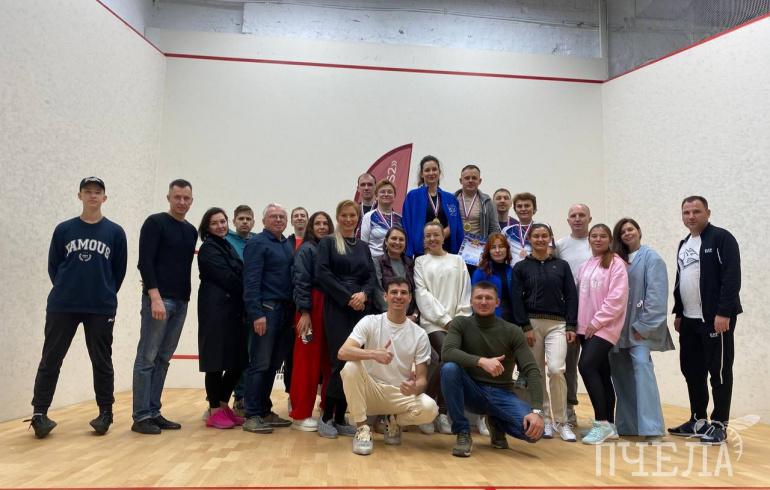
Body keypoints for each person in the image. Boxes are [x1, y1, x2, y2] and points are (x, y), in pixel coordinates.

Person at [28, 177, 127, 438]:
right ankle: (39, 414)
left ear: (104, 198)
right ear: (79, 195)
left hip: (100, 307)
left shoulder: (115, 232)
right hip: (63, 305)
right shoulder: (64, 229)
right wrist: (68, 288)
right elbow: (54, 266)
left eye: (97, 192)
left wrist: (103, 292)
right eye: (88, 191)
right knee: (51, 358)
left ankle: (105, 413)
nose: (93, 196)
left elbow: (118, 272)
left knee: (101, 361)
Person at [441, 281, 545, 457]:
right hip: (472, 392)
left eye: (488, 298)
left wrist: (536, 411)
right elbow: (447, 352)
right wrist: (481, 361)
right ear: (471, 302)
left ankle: (496, 422)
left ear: (497, 302)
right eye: (479, 298)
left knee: (533, 432)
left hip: (502, 395)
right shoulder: (460, 323)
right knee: (449, 368)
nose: (483, 302)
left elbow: (532, 370)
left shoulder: (512, 331)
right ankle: (462, 432)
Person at [669, 196, 741, 445]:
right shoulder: (684, 243)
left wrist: (723, 312)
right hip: (689, 321)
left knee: (719, 372)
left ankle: (719, 425)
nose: (691, 216)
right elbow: (681, 279)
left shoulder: (722, 238)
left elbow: (732, 277)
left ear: (708, 213)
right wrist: (679, 312)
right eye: (686, 212)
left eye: (696, 211)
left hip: (715, 319)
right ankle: (698, 420)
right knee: (691, 370)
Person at [339, 278, 438, 455]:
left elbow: (422, 379)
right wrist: (373, 354)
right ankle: (362, 429)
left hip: (399, 394)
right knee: (350, 367)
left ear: (410, 298)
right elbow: (343, 352)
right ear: (385, 296)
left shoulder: (420, 334)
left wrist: (415, 388)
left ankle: (393, 420)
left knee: (430, 409)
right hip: (371, 391)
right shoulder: (370, 321)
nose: (398, 296)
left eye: (403, 293)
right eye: (394, 292)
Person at [132, 179, 197, 435]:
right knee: (147, 357)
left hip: (181, 302)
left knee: (163, 358)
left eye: (186, 198)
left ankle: (154, 411)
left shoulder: (191, 231)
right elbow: (145, 262)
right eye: (177, 197)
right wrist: (154, 297)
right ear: (168, 198)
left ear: (191, 201)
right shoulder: (155, 223)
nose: (182, 202)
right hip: (159, 300)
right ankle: (141, 416)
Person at [316, 200, 377, 438]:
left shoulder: (363, 246)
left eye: (352, 215)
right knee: (340, 361)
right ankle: (326, 416)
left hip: (361, 308)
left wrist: (364, 295)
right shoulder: (328, 243)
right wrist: (347, 297)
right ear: (338, 217)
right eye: (344, 215)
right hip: (338, 308)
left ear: (357, 218)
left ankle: (341, 417)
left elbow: (371, 277)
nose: (349, 219)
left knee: (354, 364)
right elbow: (323, 274)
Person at [513, 223, 578, 442]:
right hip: (531, 326)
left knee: (557, 370)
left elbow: (571, 296)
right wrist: (525, 326)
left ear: (550, 238)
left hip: (557, 325)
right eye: (536, 236)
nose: (540, 239)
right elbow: (516, 299)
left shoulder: (562, 266)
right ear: (529, 239)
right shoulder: (521, 267)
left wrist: (571, 325)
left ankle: (561, 421)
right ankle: (545, 419)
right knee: (537, 373)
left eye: (544, 236)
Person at [610, 218, 673, 442]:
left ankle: (652, 428)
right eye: (623, 231)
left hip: (639, 329)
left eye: (631, 229)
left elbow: (657, 295)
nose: (627, 233)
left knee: (642, 370)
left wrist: (644, 327)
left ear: (639, 231)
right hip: (617, 329)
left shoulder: (652, 258)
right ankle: (628, 425)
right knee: (620, 374)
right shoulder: (616, 260)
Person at [414, 222, 472, 434]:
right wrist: (445, 320)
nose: (432, 239)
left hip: (458, 322)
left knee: (452, 365)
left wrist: (460, 320)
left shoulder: (458, 260)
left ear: (443, 236)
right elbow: (423, 295)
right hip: (433, 323)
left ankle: (442, 414)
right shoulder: (420, 262)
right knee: (450, 357)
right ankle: (428, 409)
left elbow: (466, 291)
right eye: (427, 236)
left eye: (435, 235)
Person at [241, 203, 295, 434]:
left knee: (272, 365)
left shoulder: (286, 244)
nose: (278, 220)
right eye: (273, 216)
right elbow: (251, 281)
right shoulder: (257, 243)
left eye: (282, 216)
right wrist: (257, 314)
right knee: (260, 364)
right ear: (264, 221)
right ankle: (251, 415)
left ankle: (264, 410)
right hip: (267, 311)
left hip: (285, 312)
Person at [575, 224, 629, 445]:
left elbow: (617, 298)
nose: (598, 239)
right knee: (602, 372)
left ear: (610, 240)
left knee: (586, 366)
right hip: (584, 328)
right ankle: (611, 426)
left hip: (604, 327)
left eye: (603, 236)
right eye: (594, 236)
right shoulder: (586, 265)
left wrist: (597, 322)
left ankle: (601, 423)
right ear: (589, 239)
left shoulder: (616, 263)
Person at [197, 207, 248, 430]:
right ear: (207, 227)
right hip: (215, 311)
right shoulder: (208, 248)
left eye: (223, 221)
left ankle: (224, 405)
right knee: (215, 362)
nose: (220, 226)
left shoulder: (225, 245)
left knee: (238, 361)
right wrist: (249, 287)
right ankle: (214, 410)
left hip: (232, 311)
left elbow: (238, 272)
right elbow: (227, 277)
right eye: (214, 223)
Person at [289, 211, 334, 432]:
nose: (322, 227)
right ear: (311, 227)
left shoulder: (331, 249)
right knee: (306, 362)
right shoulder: (306, 249)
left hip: (330, 308)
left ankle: (328, 409)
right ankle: (300, 414)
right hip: (310, 309)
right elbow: (301, 281)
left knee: (330, 361)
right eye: (318, 223)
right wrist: (305, 312)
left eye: (326, 223)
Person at [555, 203, 593, 426]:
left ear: (589, 218)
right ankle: (568, 411)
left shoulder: (597, 243)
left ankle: (604, 415)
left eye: (581, 215)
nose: (577, 218)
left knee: (594, 365)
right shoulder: (560, 246)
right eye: (573, 215)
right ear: (568, 220)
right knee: (568, 364)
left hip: (594, 316)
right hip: (568, 314)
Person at [226, 204, 256, 416]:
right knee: (228, 354)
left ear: (253, 222)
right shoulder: (225, 240)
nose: (245, 222)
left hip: (252, 307)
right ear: (234, 221)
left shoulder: (257, 241)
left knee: (249, 353)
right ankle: (215, 402)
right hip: (230, 307)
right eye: (241, 219)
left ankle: (241, 397)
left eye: (248, 219)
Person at [402, 155, 464, 256]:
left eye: (434, 169)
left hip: (446, 250)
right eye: (427, 170)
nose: (431, 173)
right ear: (422, 174)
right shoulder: (413, 197)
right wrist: (424, 242)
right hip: (423, 250)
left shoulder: (450, 199)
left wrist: (438, 237)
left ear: (439, 172)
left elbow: (456, 225)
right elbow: (407, 225)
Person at [372, 227, 417, 317]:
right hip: (386, 316)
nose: (397, 242)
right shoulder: (377, 262)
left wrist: (415, 314)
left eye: (401, 240)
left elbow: (415, 291)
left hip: (410, 316)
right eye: (394, 238)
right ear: (386, 241)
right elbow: (377, 290)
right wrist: (394, 315)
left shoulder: (411, 263)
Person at [453, 165, 501, 239]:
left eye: (474, 178)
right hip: (455, 244)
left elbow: (495, 229)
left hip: (478, 245)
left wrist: (486, 244)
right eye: (467, 178)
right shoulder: (451, 200)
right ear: (460, 180)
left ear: (480, 181)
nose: (470, 181)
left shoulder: (488, 202)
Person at [360, 180, 403, 258]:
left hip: (395, 260)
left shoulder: (400, 219)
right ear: (376, 196)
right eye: (382, 192)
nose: (386, 194)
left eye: (389, 192)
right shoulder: (369, 216)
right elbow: (364, 244)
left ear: (394, 196)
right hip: (375, 261)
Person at [502, 192, 548, 264]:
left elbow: (549, 252)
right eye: (519, 206)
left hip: (537, 269)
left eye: (527, 206)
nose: (523, 209)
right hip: (514, 270)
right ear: (515, 209)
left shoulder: (543, 227)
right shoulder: (507, 230)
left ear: (534, 208)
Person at [355, 172, 377, 237]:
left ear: (375, 187)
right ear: (358, 188)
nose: (366, 188)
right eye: (363, 185)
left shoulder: (382, 209)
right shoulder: (354, 210)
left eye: (370, 184)